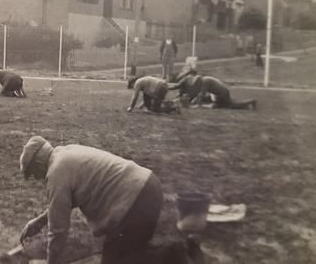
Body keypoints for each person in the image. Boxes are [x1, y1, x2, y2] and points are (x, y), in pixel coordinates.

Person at [19, 136, 162, 264]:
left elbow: (58, 231)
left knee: (115, 257)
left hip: (135, 201)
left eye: (33, 173)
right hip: (148, 186)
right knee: (132, 253)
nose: (37, 178)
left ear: (38, 162)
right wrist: (39, 221)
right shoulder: (65, 154)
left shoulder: (56, 173)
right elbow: (64, 204)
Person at [188, 76, 256, 110]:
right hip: (220, 93)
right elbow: (202, 94)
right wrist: (196, 99)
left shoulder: (205, 82)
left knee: (230, 106)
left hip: (222, 94)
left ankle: (250, 102)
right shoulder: (205, 79)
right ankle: (249, 103)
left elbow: (202, 94)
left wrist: (197, 104)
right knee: (220, 105)